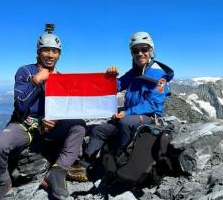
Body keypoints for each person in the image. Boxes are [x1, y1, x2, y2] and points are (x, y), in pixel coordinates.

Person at [0, 24, 86, 200]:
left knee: (79, 126)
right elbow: (21, 106)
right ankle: (3, 182)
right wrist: (36, 81)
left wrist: (55, 119)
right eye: (46, 50)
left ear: (59, 54)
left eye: (55, 51)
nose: (50, 55)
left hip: (50, 127)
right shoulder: (25, 71)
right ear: (39, 52)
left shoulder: (61, 78)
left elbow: (65, 107)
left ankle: (57, 172)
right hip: (25, 126)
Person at [68, 31, 174, 182]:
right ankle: (83, 166)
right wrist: (110, 77)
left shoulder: (159, 75)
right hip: (130, 114)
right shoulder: (134, 72)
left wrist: (128, 112)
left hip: (149, 117)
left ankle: (120, 163)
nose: (140, 53)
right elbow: (116, 86)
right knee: (100, 130)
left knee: (125, 123)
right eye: (135, 50)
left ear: (151, 50)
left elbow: (153, 103)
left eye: (144, 49)